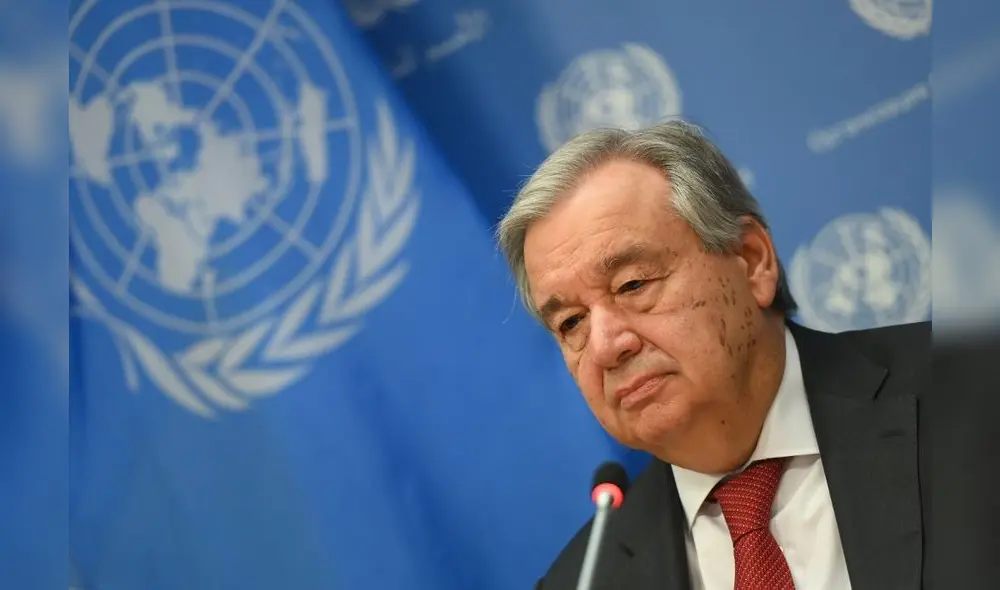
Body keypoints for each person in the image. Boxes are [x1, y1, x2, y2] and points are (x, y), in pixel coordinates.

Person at [495, 121, 997, 589]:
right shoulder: (586, 580)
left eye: (632, 284)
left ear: (753, 261)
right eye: (571, 323)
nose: (606, 345)